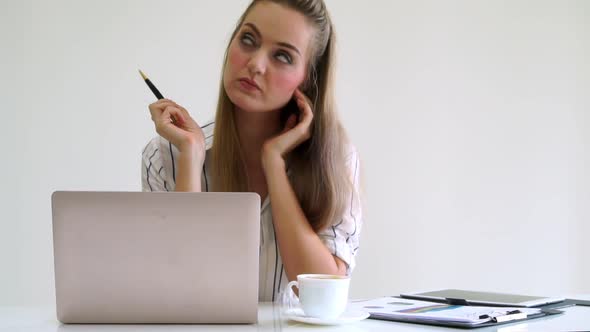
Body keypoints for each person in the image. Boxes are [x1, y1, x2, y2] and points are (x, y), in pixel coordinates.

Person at [141, 0, 362, 302]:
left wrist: (273, 163)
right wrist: (191, 160)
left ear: (308, 79)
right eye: (248, 39)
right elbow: (176, 294)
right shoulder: (166, 156)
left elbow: (323, 296)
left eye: (282, 56)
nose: (256, 64)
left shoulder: (334, 159)